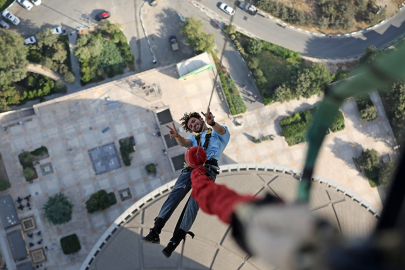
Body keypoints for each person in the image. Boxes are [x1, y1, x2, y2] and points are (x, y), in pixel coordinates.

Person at [142, 107, 230, 258]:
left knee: (193, 204)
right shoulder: (195, 139)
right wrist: (177, 135)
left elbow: (221, 131)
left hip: (208, 170)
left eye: (195, 122)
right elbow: (184, 142)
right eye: (191, 126)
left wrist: (212, 122)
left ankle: (174, 241)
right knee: (174, 196)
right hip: (191, 169)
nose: (194, 126)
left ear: (201, 120)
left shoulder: (218, 133)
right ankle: (155, 231)